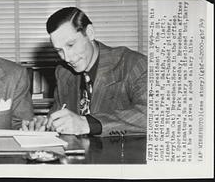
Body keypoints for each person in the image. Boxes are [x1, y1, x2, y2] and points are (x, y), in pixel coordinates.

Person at [23, 7, 147, 137]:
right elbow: (59, 116)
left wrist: (86, 124)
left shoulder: (133, 64)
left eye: (71, 45)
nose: (67, 58)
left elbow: (154, 116)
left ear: (90, 33)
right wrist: (44, 124)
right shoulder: (64, 73)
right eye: (59, 50)